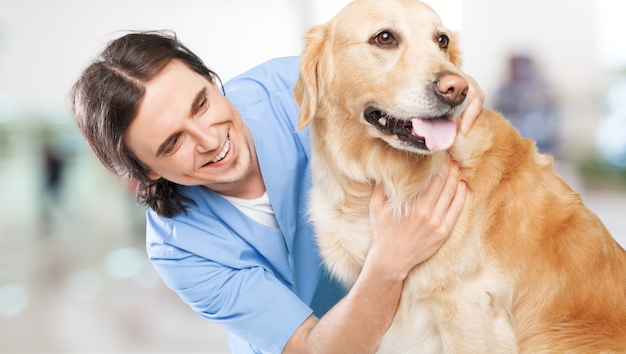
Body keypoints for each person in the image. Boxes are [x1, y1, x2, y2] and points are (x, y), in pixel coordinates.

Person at [70, 30, 484, 354]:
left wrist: (449, 89)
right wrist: (390, 262)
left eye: (201, 104)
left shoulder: (302, 87)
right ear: (146, 172)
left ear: (213, 81)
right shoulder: (182, 250)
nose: (210, 140)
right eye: (172, 143)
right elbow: (309, 346)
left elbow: (423, 84)